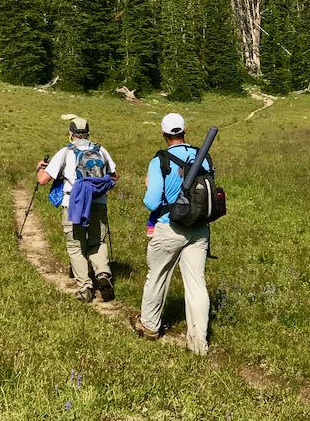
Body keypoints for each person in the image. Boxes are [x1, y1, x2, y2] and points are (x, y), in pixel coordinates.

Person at [130, 113, 212, 356]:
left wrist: (147, 186)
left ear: (163, 134)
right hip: (198, 228)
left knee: (157, 276)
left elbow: (152, 202)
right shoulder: (203, 157)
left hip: (170, 226)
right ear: (185, 130)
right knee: (196, 284)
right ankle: (198, 343)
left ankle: (150, 326)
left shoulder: (160, 161)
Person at [37, 117, 118, 304]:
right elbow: (115, 176)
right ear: (88, 133)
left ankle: (85, 288)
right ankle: (103, 275)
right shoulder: (100, 150)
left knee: (76, 246)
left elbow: (43, 180)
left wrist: (39, 168)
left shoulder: (66, 152)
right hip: (98, 203)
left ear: (70, 134)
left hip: (74, 204)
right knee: (97, 241)